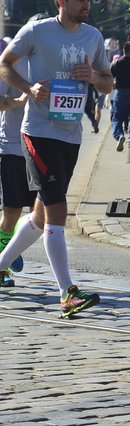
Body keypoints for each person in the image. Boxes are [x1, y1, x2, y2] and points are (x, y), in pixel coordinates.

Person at [0, 0, 112, 316]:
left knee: (39, 214)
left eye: (88, 0)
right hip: (38, 133)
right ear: (60, 1)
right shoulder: (37, 31)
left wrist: (93, 77)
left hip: (71, 134)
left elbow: (108, 83)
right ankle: (67, 293)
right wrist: (30, 89)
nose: (86, 6)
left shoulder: (93, 37)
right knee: (58, 209)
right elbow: (5, 65)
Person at [0, 43, 30, 287]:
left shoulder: (53, 65)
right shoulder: (12, 65)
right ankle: (5, 261)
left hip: (43, 146)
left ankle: (12, 245)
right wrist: (18, 101)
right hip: (12, 147)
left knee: (43, 212)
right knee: (11, 210)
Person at [110, 41, 130, 150]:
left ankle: (119, 135)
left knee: (117, 117)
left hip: (120, 92)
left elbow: (110, 77)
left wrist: (114, 85)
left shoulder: (117, 63)